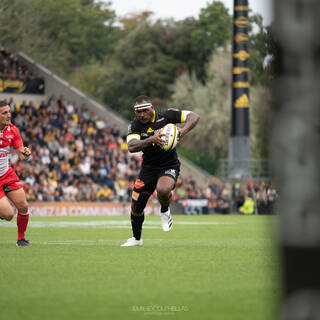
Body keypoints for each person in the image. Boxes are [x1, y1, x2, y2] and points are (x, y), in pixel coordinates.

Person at [121, 96, 200, 246]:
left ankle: (164, 210)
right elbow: (131, 146)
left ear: (152, 108)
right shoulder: (135, 125)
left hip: (168, 164)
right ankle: (136, 239)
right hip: (148, 169)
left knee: (163, 190)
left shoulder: (167, 116)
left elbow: (194, 116)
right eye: (139, 112)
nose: (142, 115)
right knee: (136, 206)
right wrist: (152, 139)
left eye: (145, 111)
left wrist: (182, 131)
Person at [0, 101, 32, 246]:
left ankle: (21, 239)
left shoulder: (13, 130)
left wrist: (26, 154)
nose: (9, 115)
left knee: (23, 206)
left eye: (9, 111)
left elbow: (22, 155)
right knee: (8, 215)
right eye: (4, 113)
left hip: (7, 175)